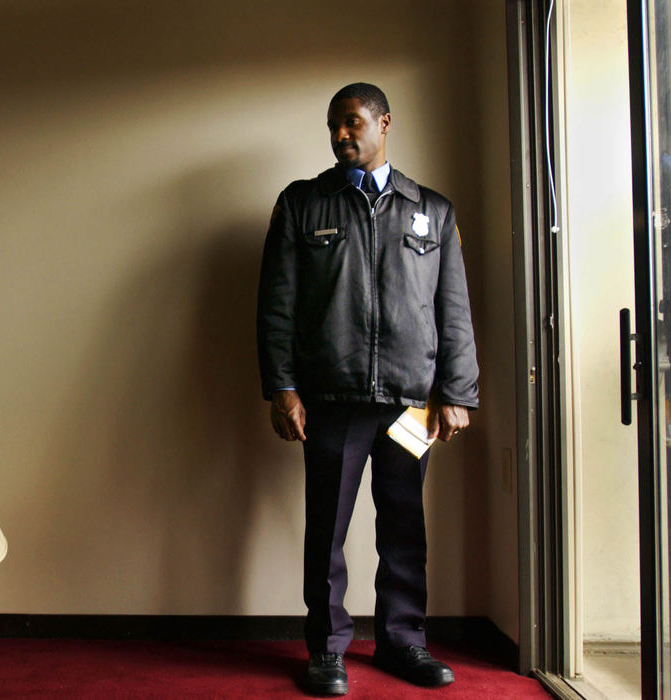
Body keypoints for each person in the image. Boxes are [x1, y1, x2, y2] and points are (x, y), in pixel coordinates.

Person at [256, 82, 479, 696]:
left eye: (351, 122)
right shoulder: (303, 204)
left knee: (405, 526)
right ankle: (326, 651)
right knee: (326, 528)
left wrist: (457, 391)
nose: (340, 135)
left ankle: (403, 642)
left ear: (384, 122)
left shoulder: (433, 210)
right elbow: (277, 305)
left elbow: (453, 307)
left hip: (411, 405)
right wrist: (283, 386)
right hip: (331, 401)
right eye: (332, 125)